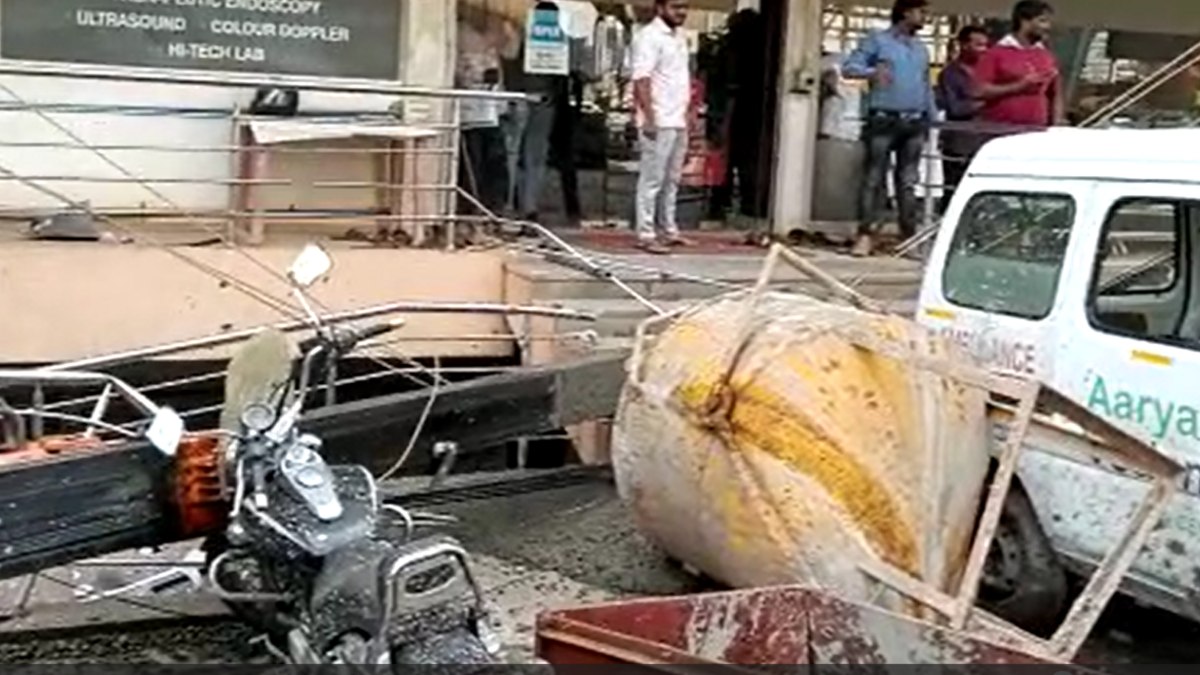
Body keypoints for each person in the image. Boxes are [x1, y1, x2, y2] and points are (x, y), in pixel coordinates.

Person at [842, 0, 937, 258]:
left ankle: (908, 237)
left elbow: (925, 84)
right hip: (883, 118)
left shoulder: (921, 49)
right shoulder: (877, 40)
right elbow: (849, 68)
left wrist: (931, 117)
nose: (925, 17)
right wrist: (872, 72)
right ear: (906, 12)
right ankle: (865, 234)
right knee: (874, 179)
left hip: (914, 121)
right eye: (921, 12)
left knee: (908, 182)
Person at [631, 0, 694, 255]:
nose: (682, 12)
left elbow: (681, 78)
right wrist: (649, 117)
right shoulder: (648, 37)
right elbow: (641, 79)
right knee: (652, 179)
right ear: (660, 8)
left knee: (673, 179)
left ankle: (669, 229)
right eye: (675, 7)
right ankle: (645, 233)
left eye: (685, 7)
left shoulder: (680, 37)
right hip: (659, 119)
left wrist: (688, 114)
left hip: (677, 118)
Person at [974, 0, 1064, 133]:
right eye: (1042, 21)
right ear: (1024, 21)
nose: (1047, 27)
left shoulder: (1046, 55)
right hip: (999, 131)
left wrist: (1057, 124)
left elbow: (1056, 93)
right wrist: (1019, 86)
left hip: (1035, 132)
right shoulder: (995, 53)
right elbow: (979, 91)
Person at [936, 25, 989, 211]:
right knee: (954, 189)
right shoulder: (950, 74)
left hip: (985, 139)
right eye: (978, 45)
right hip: (959, 142)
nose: (984, 50)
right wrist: (987, 101)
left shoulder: (989, 73)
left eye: (985, 45)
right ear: (964, 45)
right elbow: (955, 108)